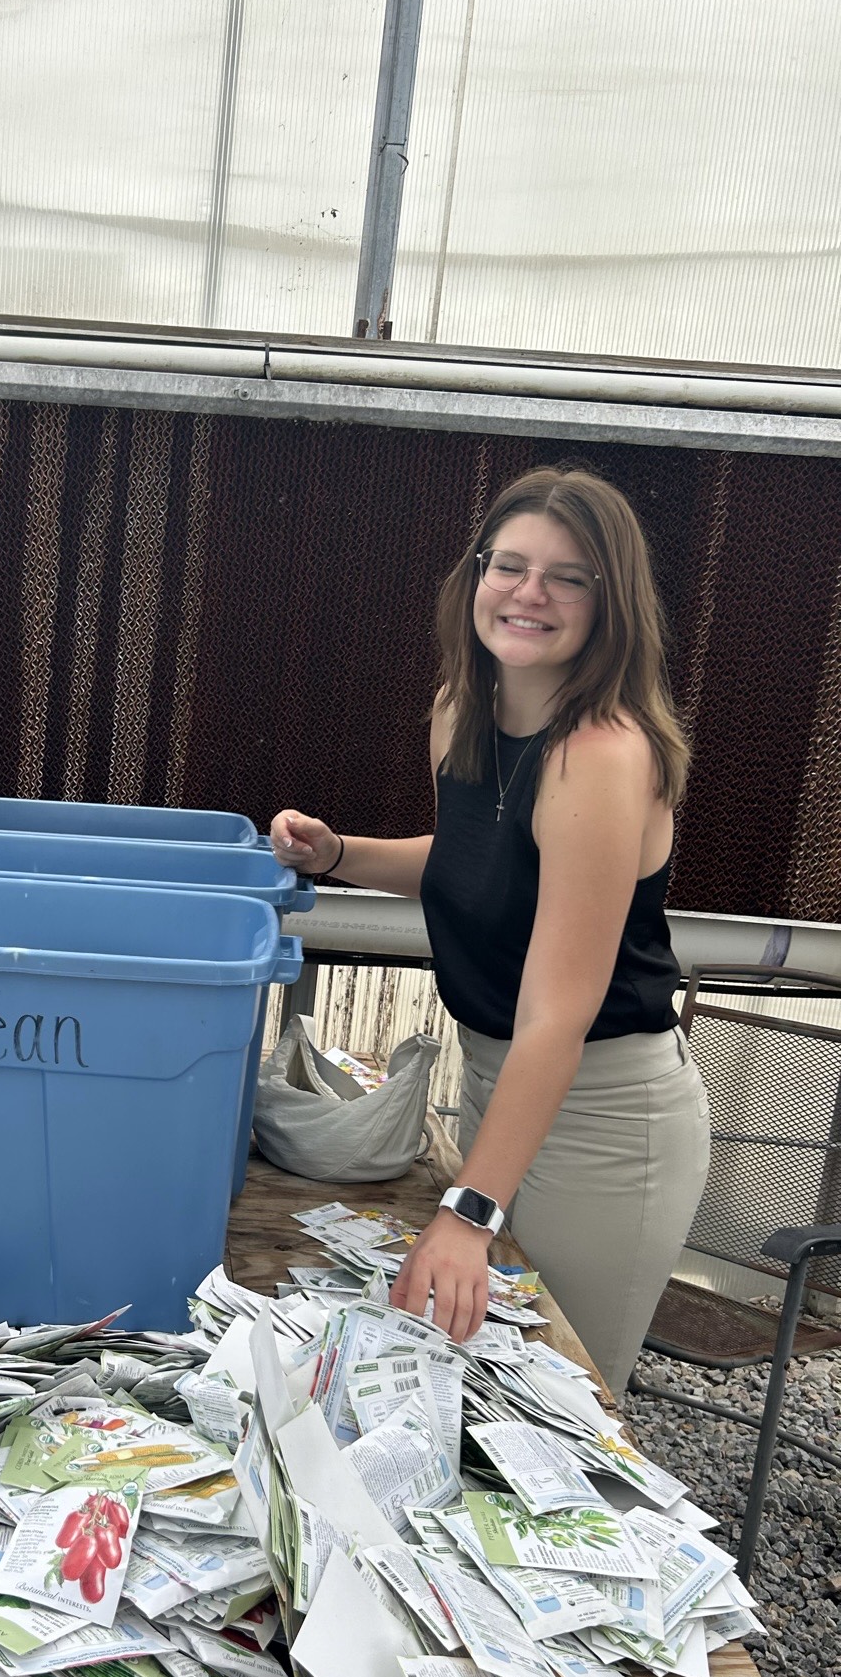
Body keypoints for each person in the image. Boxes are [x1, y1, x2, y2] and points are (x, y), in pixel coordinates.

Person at [270, 465, 710, 1395]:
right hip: (493, 1081)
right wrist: (340, 853)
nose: (529, 593)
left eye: (568, 576)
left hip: (601, 1118)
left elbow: (560, 1009)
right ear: (474, 577)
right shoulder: (463, 713)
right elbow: (477, 864)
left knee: (561, 1397)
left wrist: (468, 1210)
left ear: (612, 600)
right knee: (466, 1382)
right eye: (507, 565)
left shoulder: (601, 755)